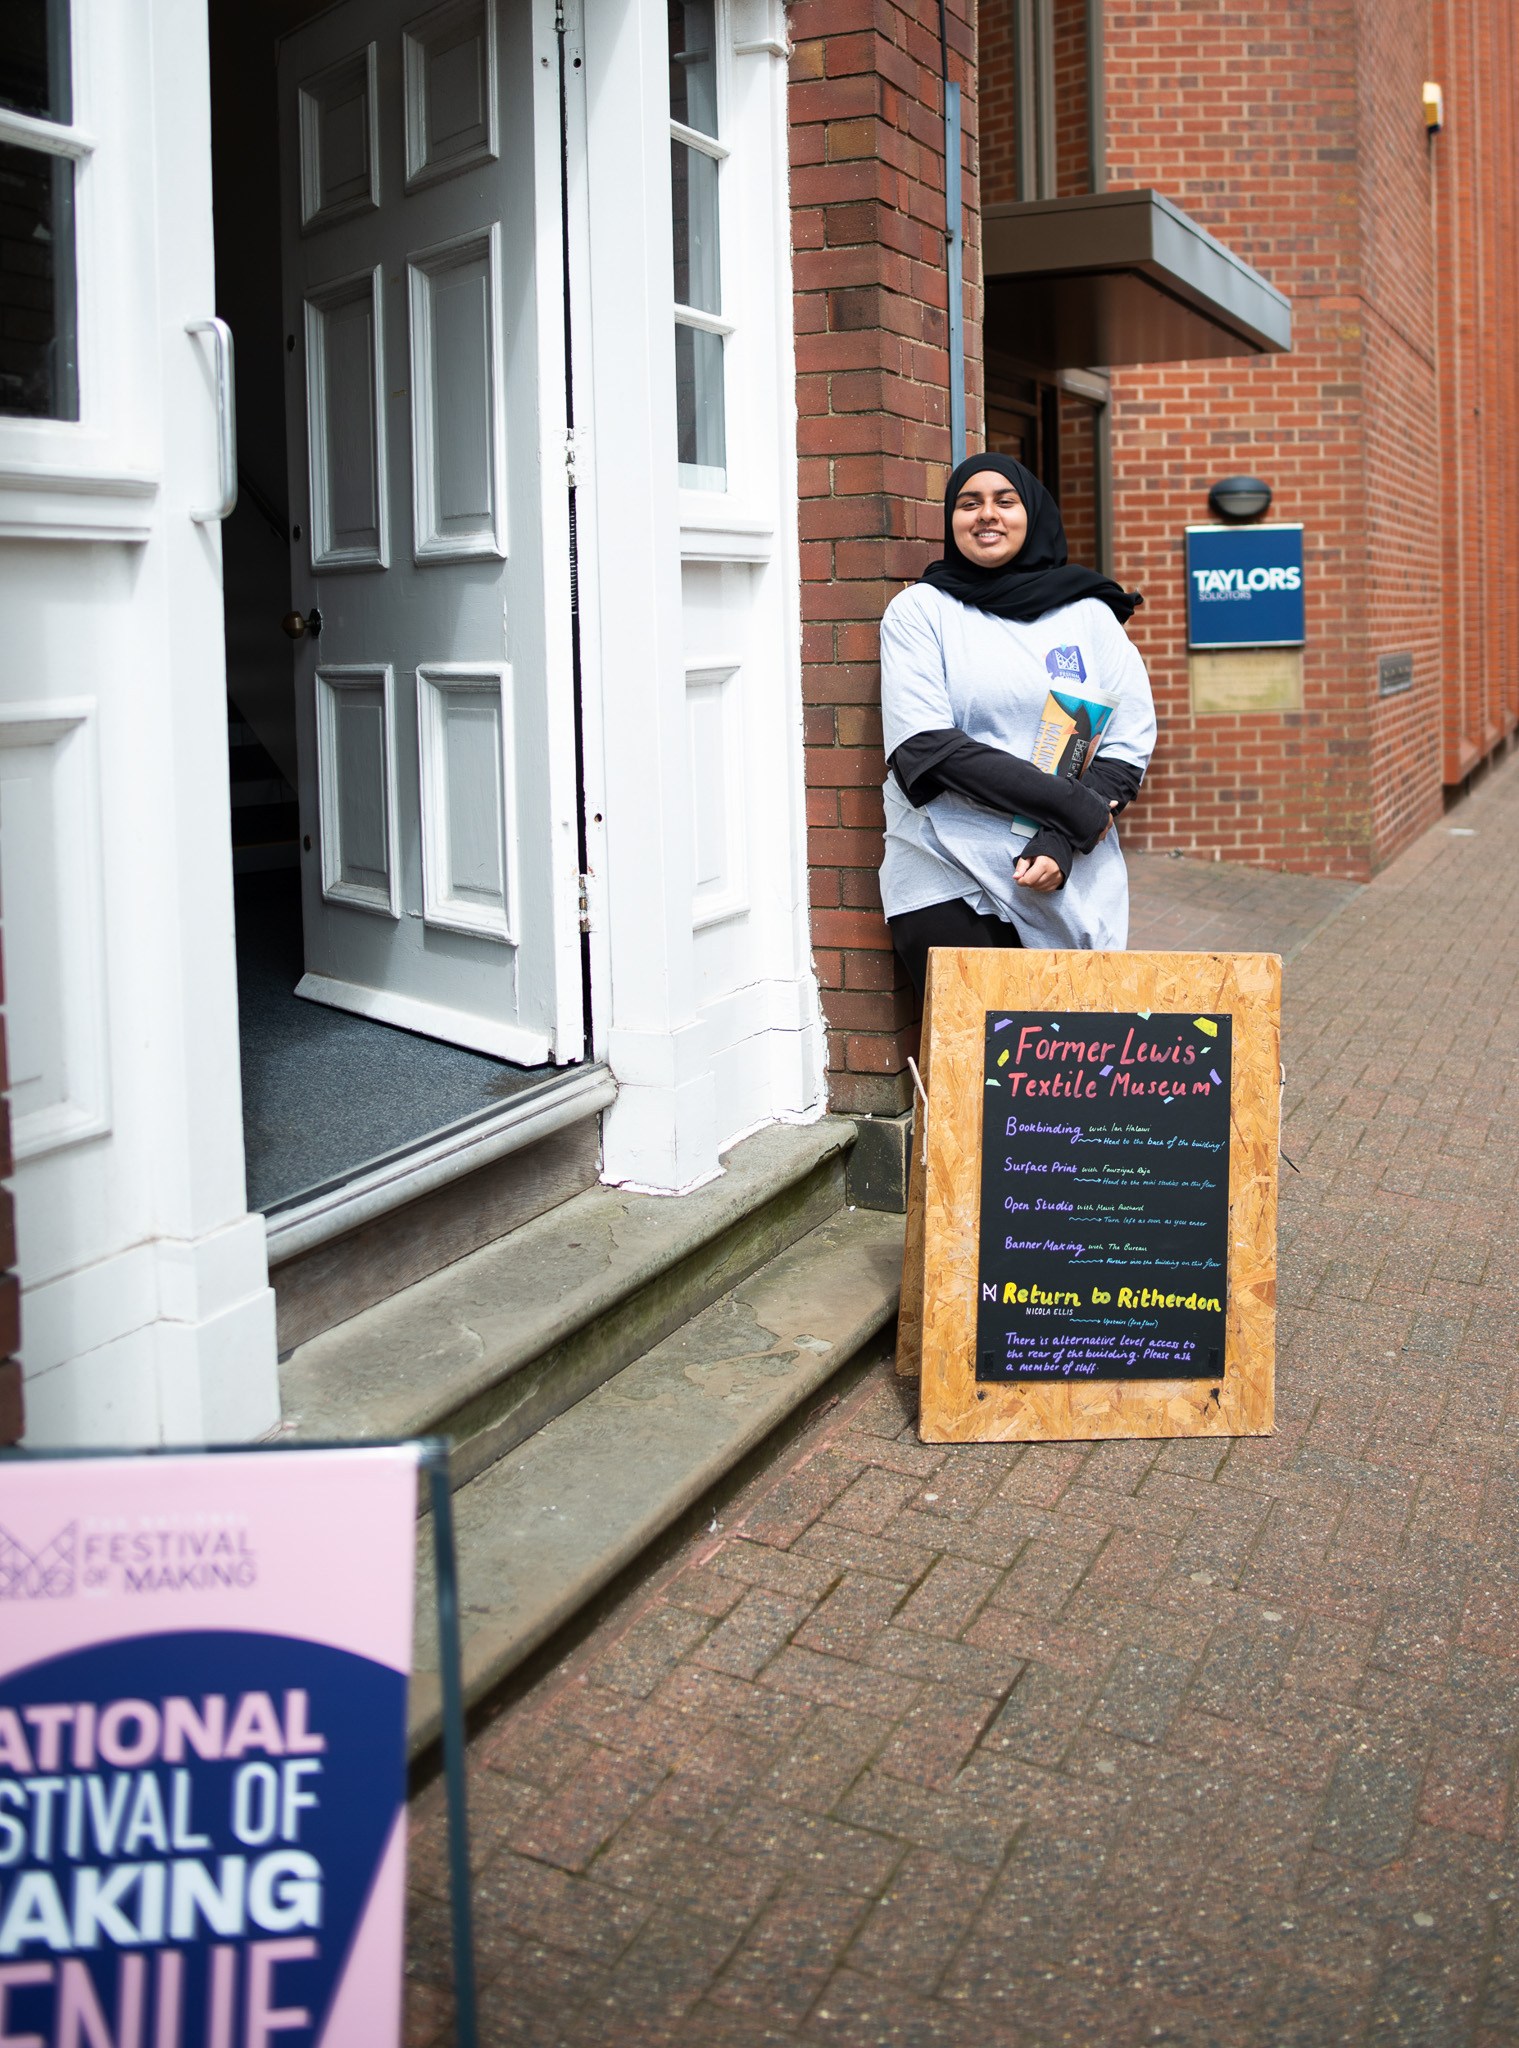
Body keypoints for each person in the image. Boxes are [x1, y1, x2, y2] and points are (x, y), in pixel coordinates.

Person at [879, 453, 1157, 995]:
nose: (987, 514)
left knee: (1062, 1067)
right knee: (972, 1064)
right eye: (969, 503)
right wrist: (1071, 807)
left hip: (1063, 871)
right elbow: (926, 748)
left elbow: (1126, 747)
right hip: (946, 867)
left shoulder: (1088, 614)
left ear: (1032, 513)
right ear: (950, 520)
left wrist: (1059, 839)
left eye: (1004, 501)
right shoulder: (919, 612)